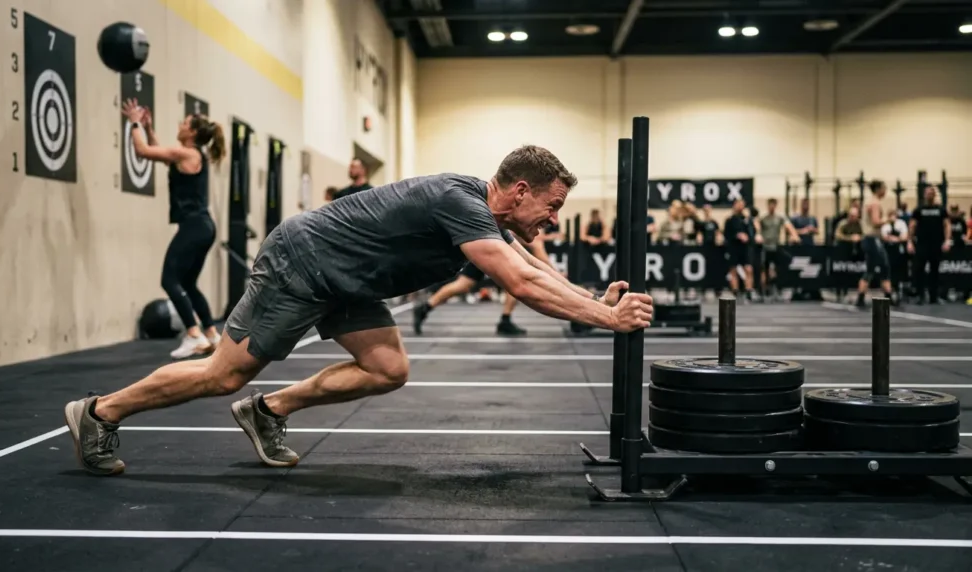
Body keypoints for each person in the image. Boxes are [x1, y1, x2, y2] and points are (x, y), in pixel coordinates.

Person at [63, 145, 655, 476]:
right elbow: (520, 284)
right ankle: (100, 412)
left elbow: (538, 268)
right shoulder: (462, 201)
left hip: (347, 281)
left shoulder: (492, 215)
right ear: (520, 190)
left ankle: (269, 410)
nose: (554, 220)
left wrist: (593, 301)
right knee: (223, 373)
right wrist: (607, 321)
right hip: (303, 262)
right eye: (552, 206)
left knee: (387, 369)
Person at [123, 99, 226, 359]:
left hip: (194, 226)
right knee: (188, 283)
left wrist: (134, 122)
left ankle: (193, 334)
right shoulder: (190, 155)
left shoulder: (186, 154)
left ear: (191, 133)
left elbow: (143, 152)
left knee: (169, 280)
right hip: (203, 227)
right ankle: (212, 335)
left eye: (184, 123)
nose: (180, 126)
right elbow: (161, 153)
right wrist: (148, 127)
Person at [412, 236, 554, 336]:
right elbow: (537, 247)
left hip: (484, 245)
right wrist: (556, 275)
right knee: (515, 282)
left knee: (463, 285)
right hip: (491, 247)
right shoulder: (528, 213)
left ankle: (425, 308)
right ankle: (505, 321)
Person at [853, 180, 895, 308]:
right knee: (884, 267)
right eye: (884, 189)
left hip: (870, 238)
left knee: (871, 269)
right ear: (878, 189)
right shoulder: (875, 203)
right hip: (872, 239)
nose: (885, 192)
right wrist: (889, 220)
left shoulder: (868, 201)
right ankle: (888, 296)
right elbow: (876, 222)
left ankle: (861, 297)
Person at [907, 186, 948, 305]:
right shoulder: (919, 209)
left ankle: (933, 297)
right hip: (922, 244)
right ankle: (920, 296)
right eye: (927, 193)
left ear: (934, 195)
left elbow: (947, 225)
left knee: (934, 271)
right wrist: (910, 241)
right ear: (924, 195)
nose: (929, 195)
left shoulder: (941, 209)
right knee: (919, 270)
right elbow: (912, 226)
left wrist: (947, 241)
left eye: (931, 193)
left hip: (936, 244)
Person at [755, 198, 801, 301]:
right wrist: (758, 234)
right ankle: (763, 292)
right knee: (764, 269)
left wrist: (794, 235)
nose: (772, 207)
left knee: (782, 265)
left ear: (775, 206)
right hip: (765, 247)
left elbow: (788, 226)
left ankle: (777, 289)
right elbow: (756, 224)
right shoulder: (763, 217)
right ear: (768, 205)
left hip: (776, 246)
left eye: (773, 205)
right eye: (770, 205)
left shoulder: (780, 217)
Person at [723, 200, 755, 300]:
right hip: (734, 247)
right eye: (738, 205)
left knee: (748, 269)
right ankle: (735, 291)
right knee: (733, 269)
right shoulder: (730, 220)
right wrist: (736, 236)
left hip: (745, 248)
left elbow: (752, 233)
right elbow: (726, 235)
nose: (740, 207)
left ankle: (749, 290)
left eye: (742, 205)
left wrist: (747, 237)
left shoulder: (747, 220)